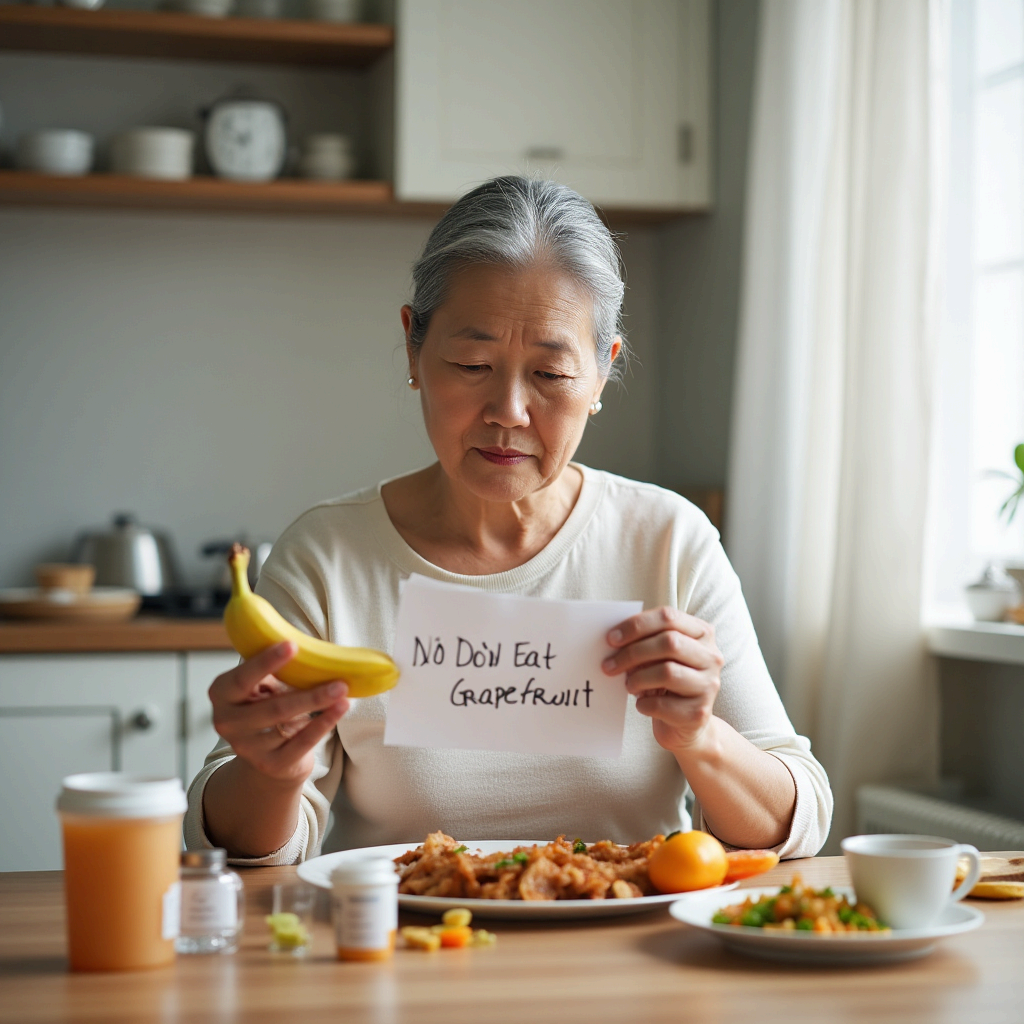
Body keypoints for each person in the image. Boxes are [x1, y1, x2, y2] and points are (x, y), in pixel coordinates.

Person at [185, 176, 832, 865]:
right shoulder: (329, 554)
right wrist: (270, 773)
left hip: (629, 955)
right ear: (412, 349)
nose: (509, 411)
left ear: (601, 375)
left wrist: (702, 739)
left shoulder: (667, 540)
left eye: (551, 375)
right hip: (406, 950)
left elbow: (800, 819)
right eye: (472, 363)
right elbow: (245, 850)